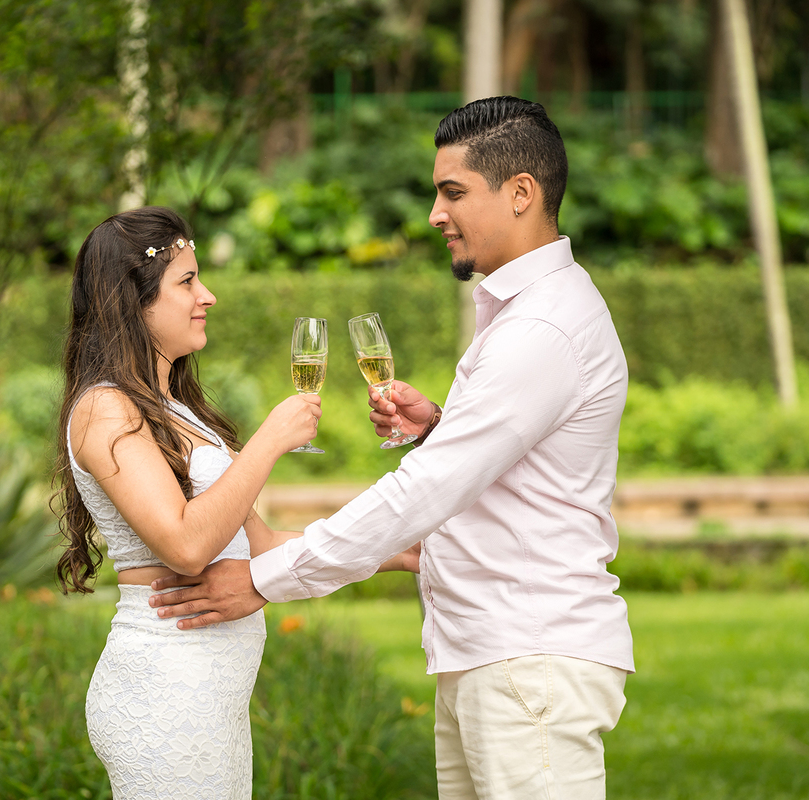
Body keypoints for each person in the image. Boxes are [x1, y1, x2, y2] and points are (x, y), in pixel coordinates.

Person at [148, 97, 635, 800]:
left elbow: (422, 493)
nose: (436, 214)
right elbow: (499, 471)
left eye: (453, 193)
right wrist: (443, 427)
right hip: (495, 654)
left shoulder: (543, 329)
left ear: (522, 193)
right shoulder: (526, 315)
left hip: (528, 662)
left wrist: (264, 579)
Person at [55, 207, 415, 799]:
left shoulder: (177, 410)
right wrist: (270, 440)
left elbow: (264, 546)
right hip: (164, 695)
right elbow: (187, 545)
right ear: (132, 301)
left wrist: (396, 549)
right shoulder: (105, 409)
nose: (209, 296)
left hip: (208, 700)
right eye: (187, 281)